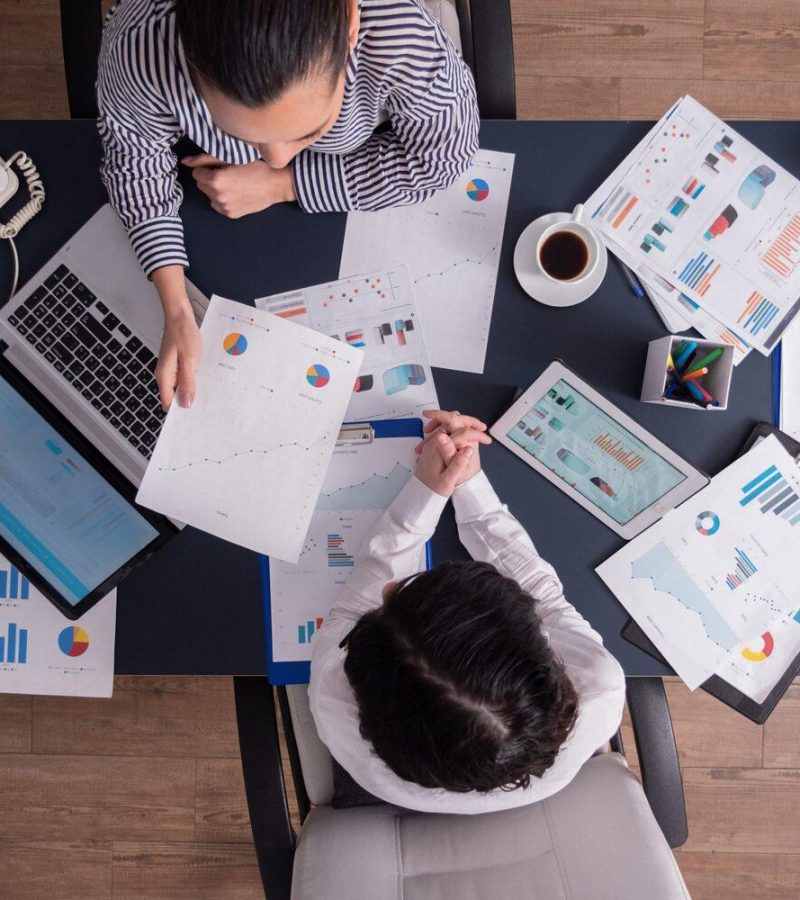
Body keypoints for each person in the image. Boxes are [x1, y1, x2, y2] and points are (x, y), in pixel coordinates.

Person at [96, 0, 479, 410]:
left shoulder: (398, 34)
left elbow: (442, 159)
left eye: (305, 131)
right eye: (238, 131)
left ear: (350, 25)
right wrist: (175, 307)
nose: (275, 156)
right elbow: (135, 162)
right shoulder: (141, 47)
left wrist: (284, 184)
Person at [310, 410, 626, 813]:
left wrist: (428, 490)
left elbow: (355, 602)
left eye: (386, 602)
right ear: (538, 641)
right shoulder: (597, 685)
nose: (388, 588)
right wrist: (468, 483)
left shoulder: (335, 700)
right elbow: (544, 597)